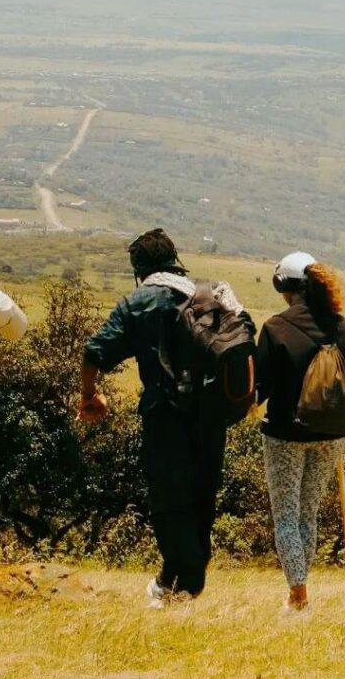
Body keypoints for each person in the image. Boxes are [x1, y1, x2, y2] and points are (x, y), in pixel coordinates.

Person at [79, 228, 253, 608]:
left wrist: (89, 396)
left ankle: (185, 581)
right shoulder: (207, 296)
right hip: (210, 420)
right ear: (175, 260)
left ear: (139, 268)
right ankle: (175, 584)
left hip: (165, 419)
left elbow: (94, 351)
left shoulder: (139, 302)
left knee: (169, 502)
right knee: (201, 498)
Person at [256, 252, 345, 614]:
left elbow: (259, 388)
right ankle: (300, 591)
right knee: (307, 514)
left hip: (285, 436)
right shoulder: (342, 327)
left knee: (287, 515)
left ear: (284, 286)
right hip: (332, 435)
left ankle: (299, 596)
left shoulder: (276, 328)